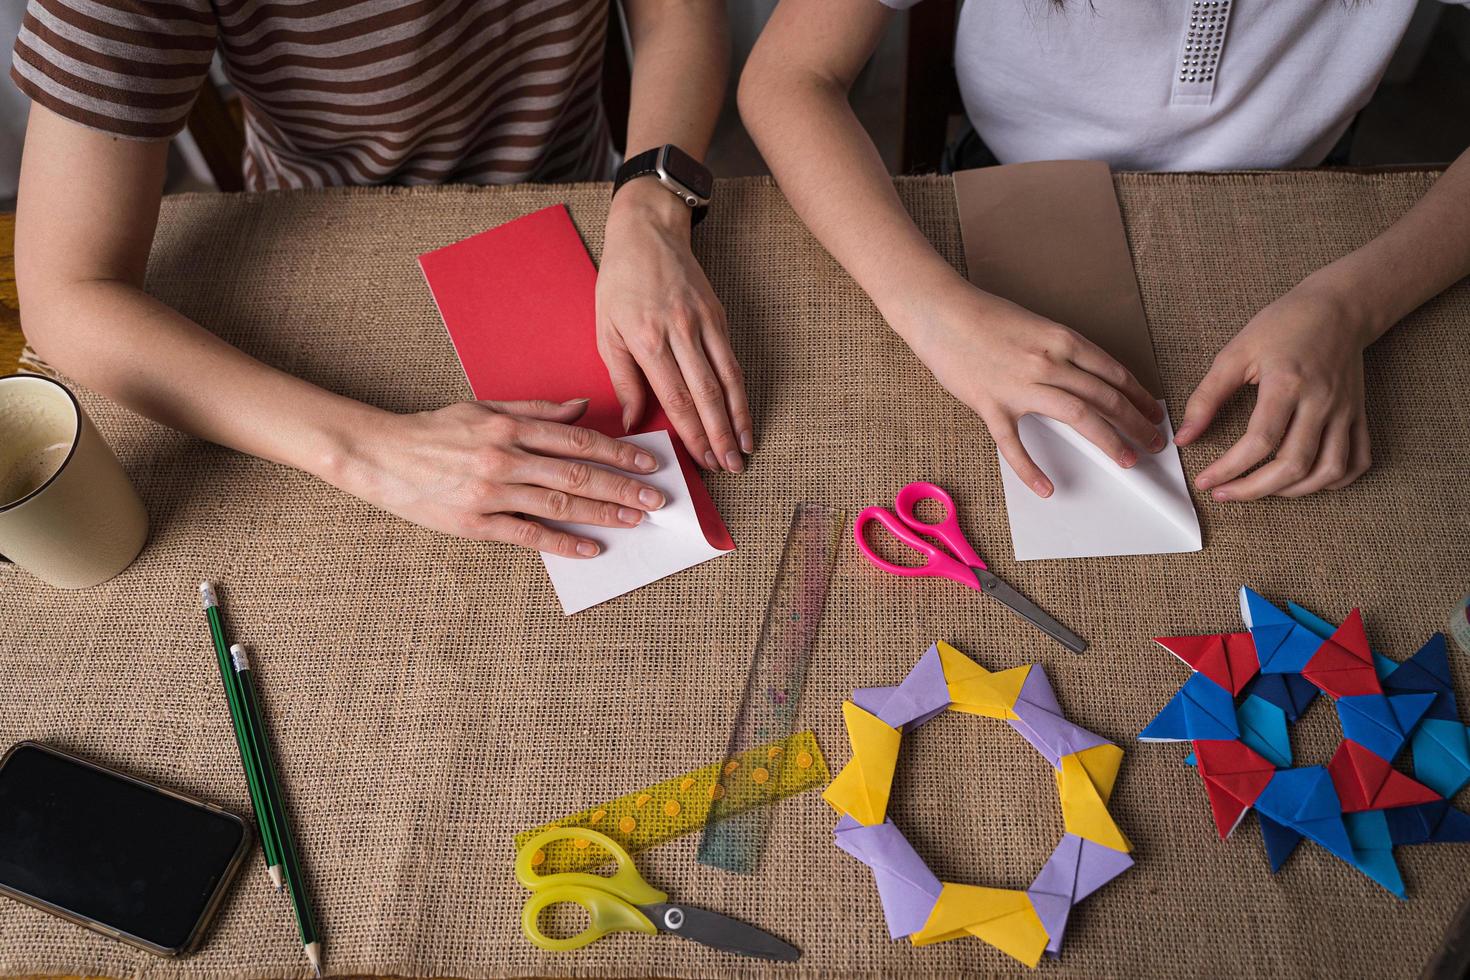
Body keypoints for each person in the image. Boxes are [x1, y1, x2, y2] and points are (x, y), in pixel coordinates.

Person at [11, 0, 750, 559]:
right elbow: (65, 291)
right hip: (325, 245)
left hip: (589, 203)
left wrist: (651, 201)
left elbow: (677, 14)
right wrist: (369, 455)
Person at [739, 0, 1470, 502]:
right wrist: (933, 311)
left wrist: (1350, 305)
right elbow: (786, 78)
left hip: (1294, 198)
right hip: (1008, 175)